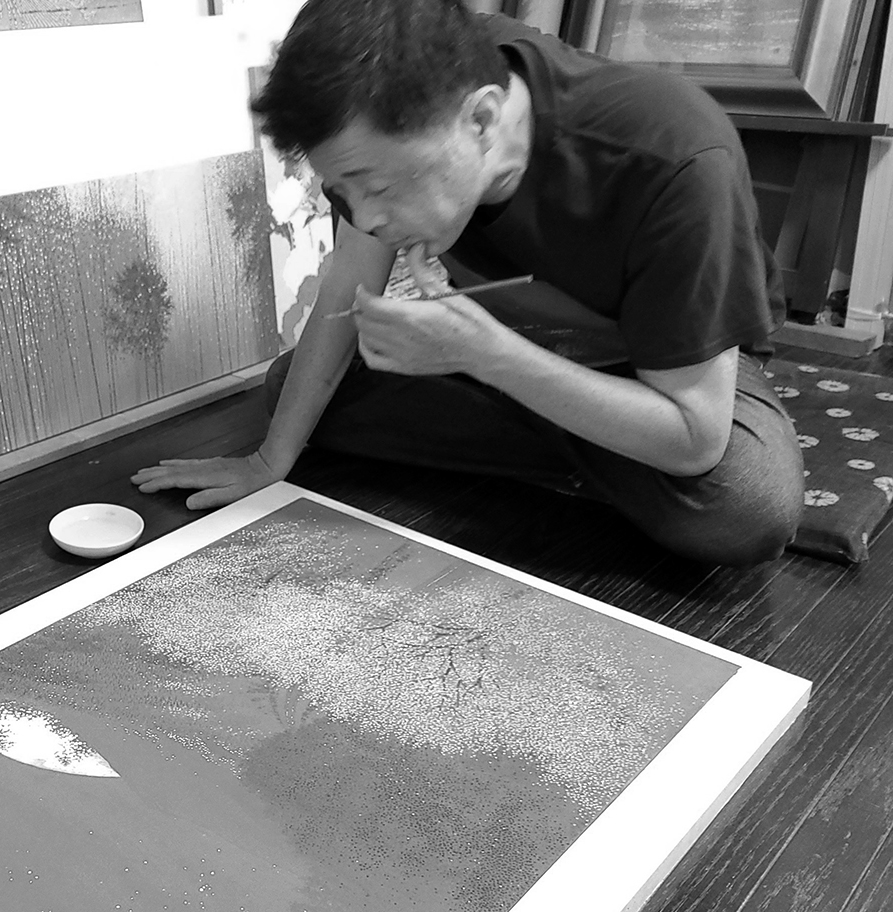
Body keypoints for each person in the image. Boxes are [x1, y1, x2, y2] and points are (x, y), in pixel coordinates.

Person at [131, 0, 804, 566]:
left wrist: (485, 355)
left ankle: (580, 436)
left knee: (745, 506)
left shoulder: (674, 156)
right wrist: (269, 462)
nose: (365, 218)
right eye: (341, 190)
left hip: (658, 363)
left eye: (376, 187)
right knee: (291, 392)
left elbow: (696, 435)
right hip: (506, 352)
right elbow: (346, 290)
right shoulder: (392, 91)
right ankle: (596, 452)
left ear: (480, 120)